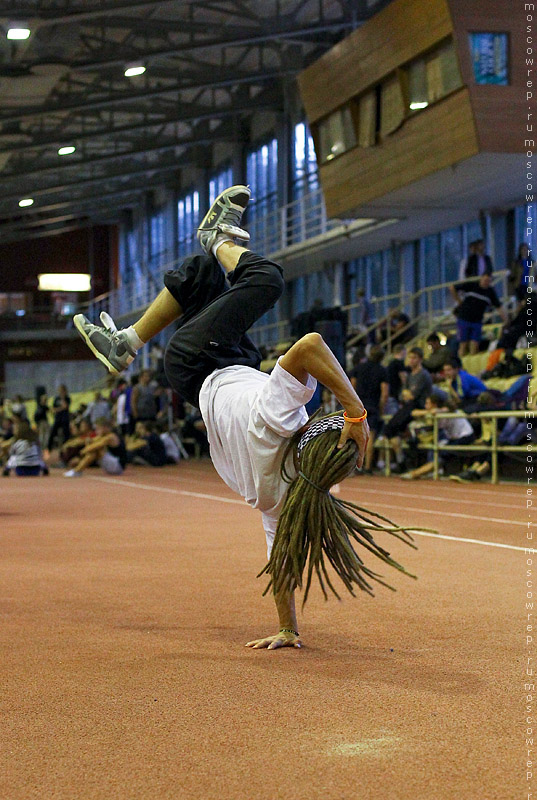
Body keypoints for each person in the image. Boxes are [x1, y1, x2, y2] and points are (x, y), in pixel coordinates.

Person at [73, 185, 419, 650]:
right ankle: (127, 343)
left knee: (266, 280)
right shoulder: (285, 497)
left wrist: (356, 412)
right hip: (219, 369)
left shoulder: (280, 420)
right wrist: (287, 627)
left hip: (203, 362)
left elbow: (312, 344)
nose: (323, 418)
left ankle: (217, 237)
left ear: (311, 437)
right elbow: (281, 564)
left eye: (325, 424)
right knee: (201, 277)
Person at [400, 395, 475, 480]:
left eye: (428, 403)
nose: (425, 406)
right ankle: (424, 472)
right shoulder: (436, 413)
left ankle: (415, 474)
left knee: (442, 453)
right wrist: (428, 412)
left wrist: (436, 410)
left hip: (466, 436)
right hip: (454, 437)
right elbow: (413, 413)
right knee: (436, 447)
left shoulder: (445, 410)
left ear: (435, 405)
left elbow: (447, 409)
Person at [383, 347, 433, 472]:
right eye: (410, 357)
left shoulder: (423, 375)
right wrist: (406, 394)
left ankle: (403, 460)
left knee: (391, 427)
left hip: (417, 406)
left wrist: (407, 394)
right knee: (390, 429)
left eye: (414, 357)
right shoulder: (410, 375)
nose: (411, 360)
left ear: (420, 359)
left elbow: (412, 396)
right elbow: (402, 394)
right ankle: (401, 460)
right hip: (408, 406)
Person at [349, 345, 389, 474]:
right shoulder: (382, 370)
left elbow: (351, 387)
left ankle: (353, 465)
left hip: (358, 405)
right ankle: (367, 466)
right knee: (370, 435)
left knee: (355, 435)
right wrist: (381, 408)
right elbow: (384, 393)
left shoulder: (358, 368)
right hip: (373, 406)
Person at [450, 273, 507, 356]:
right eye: (485, 280)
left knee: (475, 344)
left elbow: (499, 306)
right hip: (464, 318)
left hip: (477, 321)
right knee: (463, 343)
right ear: (481, 279)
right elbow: (452, 287)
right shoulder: (472, 285)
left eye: (488, 281)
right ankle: (461, 362)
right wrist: (459, 301)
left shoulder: (490, 292)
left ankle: (472, 363)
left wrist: (506, 320)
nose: (486, 283)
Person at [47, 384, 71, 452]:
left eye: (62, 391)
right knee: (53, 432)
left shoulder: (67, 398)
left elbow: (65, 406)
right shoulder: (56, 399)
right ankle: (49, 447)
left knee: (66, 433)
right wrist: (60, 409)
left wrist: (63, 398)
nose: (60, 392)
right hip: (57, 418)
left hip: (65, 419)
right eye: (60, 391)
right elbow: (53, 409)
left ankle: (66, 447)